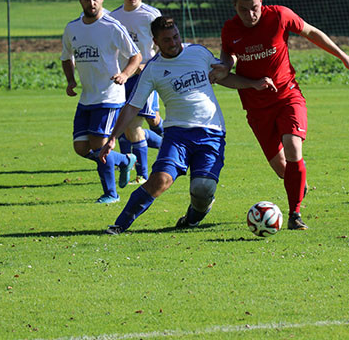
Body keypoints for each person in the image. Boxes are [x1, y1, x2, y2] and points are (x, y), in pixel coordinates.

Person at [212, 0, 349, 230]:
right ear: (234, 6)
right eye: (243, 9)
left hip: (287, 96)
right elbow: (228, 56)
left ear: (262, 1)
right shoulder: (230, 30)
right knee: (283, 170)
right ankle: (296, 183)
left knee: (293, 147)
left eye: (254, 8)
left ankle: (295, 214)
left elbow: (311, 32)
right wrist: (226, 66)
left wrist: (343, 56)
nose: (250, 15)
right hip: (256, 108)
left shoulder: (280, 16)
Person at [99, 17, 273, 235]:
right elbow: (132, 106)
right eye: (167, 40)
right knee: (159, 181)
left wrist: (253, 84)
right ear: (155, 42)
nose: (174, 43)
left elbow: (222, 77)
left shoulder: (198, 53)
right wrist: (113, 137)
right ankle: (119, 225)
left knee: (202, 189)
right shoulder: (153, 69)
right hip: (177, 135)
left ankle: (192, 219)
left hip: (212, 132)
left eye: (176, 37)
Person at [60, 0, 142, 203]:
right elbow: (66, 57)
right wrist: (70, 81)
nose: (91, 2)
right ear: (80, 0)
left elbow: (136, 56)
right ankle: (124, 161)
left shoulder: (112, 26)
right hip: (87, 97)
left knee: (99, 144)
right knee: (80, 147)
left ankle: (111, 194)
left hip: (109, 96)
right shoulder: (72, 28)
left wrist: (125, 74)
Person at [110, 0, 164, 186]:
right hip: (123, 78)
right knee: (128, 124)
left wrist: (147, 65)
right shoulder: (113, 17)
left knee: (142, 122)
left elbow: (163, 47)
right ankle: (138, 169)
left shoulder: (151, 15)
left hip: (146, 77)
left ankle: (142, 172)